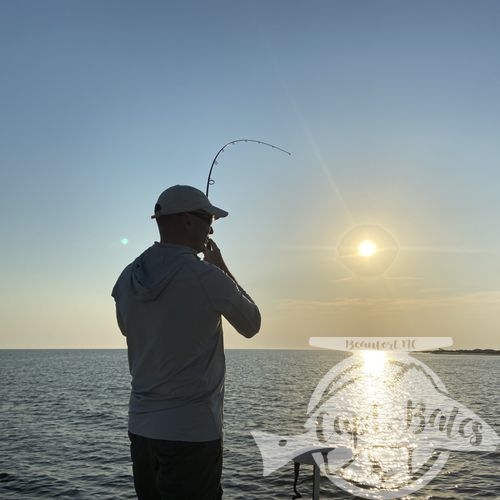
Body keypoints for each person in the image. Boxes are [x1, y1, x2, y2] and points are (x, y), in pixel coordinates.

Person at [111, 185, 261, 500]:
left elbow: (129, 330)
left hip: (141, 430)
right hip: (191, 433)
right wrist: (221, 267)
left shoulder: (127, 278)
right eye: (209, 219)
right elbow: (251, 324)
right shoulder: (207, 277)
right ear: (187, 221)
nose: (211, 227)